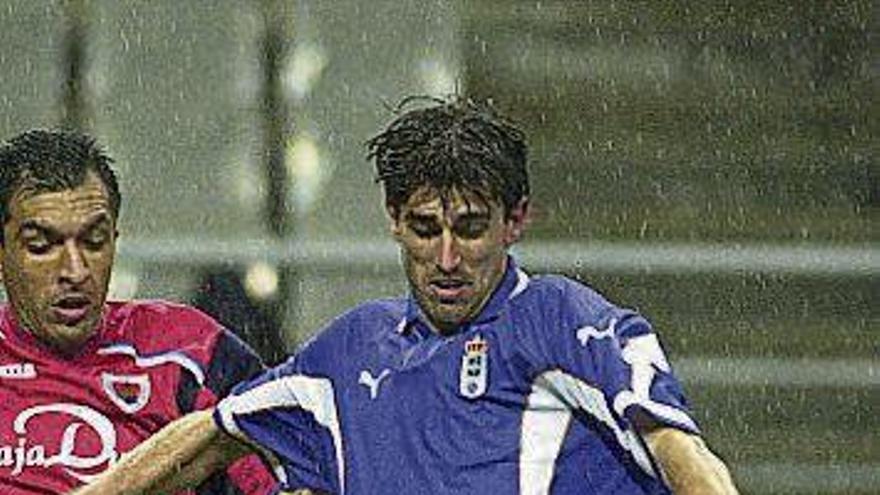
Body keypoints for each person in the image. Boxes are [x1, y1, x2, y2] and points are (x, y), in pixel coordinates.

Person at [74, 97, 739, 494]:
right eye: (426, 228)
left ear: (517, 219)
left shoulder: (567, 322)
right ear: (394, 218)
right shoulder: (349, 350)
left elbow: (685, 456)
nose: (447, 258)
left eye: (472, 228)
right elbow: (211, 433)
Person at [0, 129, 277, 494]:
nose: (75, 271)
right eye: (41, 246)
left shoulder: (190, 351)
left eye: (94, 242)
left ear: (115, 239)